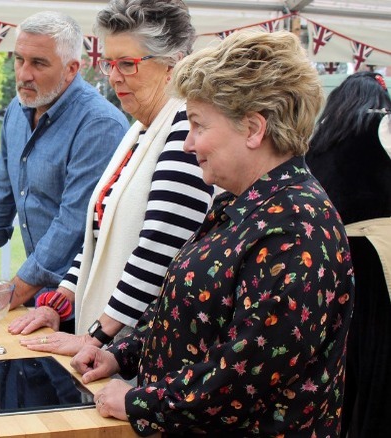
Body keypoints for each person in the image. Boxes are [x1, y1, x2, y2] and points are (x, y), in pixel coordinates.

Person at [70, 30, 354, 437]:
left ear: (254, 129)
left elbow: (243, 374)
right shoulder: (240, 204)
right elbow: (189, 307)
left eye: (198, 126)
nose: (188, 144)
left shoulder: (295, 230)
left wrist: (137, 401)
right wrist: (120, 355)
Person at [10, 0, 214, 354]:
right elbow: (98, 235)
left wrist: (96, 337)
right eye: (110, 63)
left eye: (128, 64)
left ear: (174, 65)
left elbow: (159, 251)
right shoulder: (140, 130)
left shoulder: (184, 129)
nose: (115, 76)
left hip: (142, 354)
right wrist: (57, 303)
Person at [0, 11, 130, 314]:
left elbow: (73, 224)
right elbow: (0, 193)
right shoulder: (17, 111)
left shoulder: (99, 125)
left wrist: (11, 293)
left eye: (38, 63)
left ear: (71, 69)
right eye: (19, 60)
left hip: (85, 300)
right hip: (36, 290)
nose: (23, 74)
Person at [305, 71, 391, 438]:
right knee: (380, 353)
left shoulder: (319, 139)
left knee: (340, 357)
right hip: (379, 254)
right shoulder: (382, 127)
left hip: (331, 257)